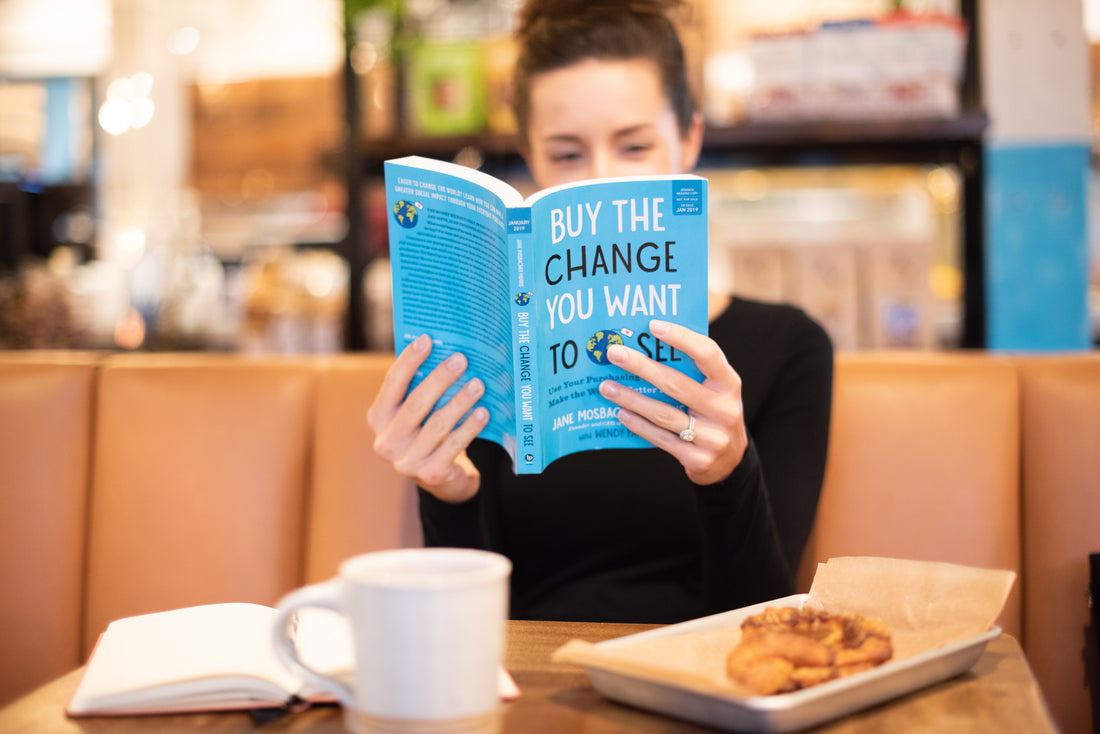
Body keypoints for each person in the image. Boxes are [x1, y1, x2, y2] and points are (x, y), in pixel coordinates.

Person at [368, 0, 833, 624]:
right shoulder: (505, 338)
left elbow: (764, 619)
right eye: (567, 155)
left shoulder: (787, 345)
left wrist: (727, 473)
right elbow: (472, 628)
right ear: (531, 158)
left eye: (635, 146)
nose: (602, 180)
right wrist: (446, 494)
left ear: (689, 138)